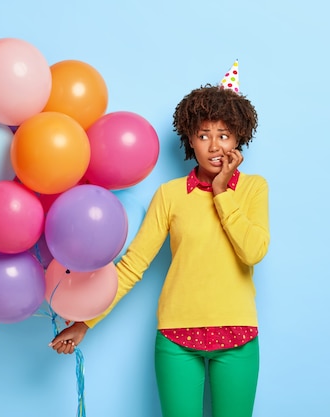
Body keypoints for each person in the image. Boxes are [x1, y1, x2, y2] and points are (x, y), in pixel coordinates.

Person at [49, 61, 270, 417]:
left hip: (238, 335)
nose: (214, 146)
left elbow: (253, 251)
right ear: (190, 141)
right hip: (177, 337)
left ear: (238, 138)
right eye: (203, 135)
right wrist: (84, 322)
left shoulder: (253, 188)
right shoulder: (170, 195)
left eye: (224, 135)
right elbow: (133, 265)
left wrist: (221, 193)